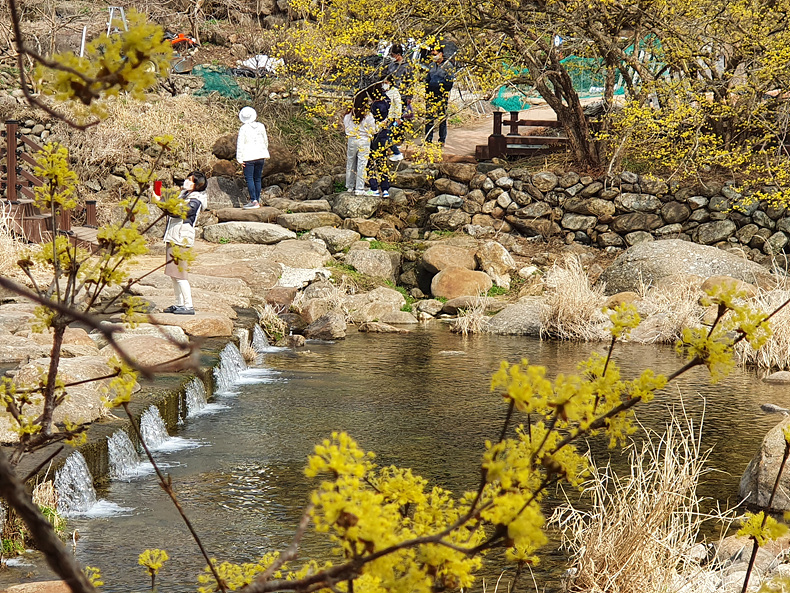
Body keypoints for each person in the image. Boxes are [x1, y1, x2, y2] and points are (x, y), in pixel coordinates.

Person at [151, 171, 208, 315]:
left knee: (180, 274)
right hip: (174, 236)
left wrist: (159, 202)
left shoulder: (196, 200)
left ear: (198, 185)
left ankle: (188, 306)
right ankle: (179, 303)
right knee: (173, 273)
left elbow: (179, 212)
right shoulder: (183, 195)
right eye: (187, 179)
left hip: (182, 238)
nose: (186, 181)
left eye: (191, 180)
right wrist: (159, 198)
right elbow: (170, 207)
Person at [343, 93, 378, 195]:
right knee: (362, 164)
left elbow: (346, 127)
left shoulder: (348, 115)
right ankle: (359, 188)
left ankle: (349, 186)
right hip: (364, 140)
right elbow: (373, 130)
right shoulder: (368, 116)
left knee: (350, 162)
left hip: (352, 139)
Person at [236, 106, 270, 210]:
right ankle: (257, 200)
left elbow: (240, 144)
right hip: (261, 155)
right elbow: (265, 140)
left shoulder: (243, 128)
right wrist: (264, 151)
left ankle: (253, 201)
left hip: (248, 157)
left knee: (249, 178)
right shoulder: (261, 126)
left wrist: (239, 159)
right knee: (257, 178)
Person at [424, 46, 455, 145]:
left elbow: (450, 81)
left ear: (441, 54)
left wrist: (443, 89)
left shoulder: (448, 66)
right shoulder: (431, 65)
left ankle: (441, 140)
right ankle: (428, 139)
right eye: (432, 54)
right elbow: (427, 79)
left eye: (435, 54)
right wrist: (427, 89)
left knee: (441, 118)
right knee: (429, 118)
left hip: (441, 95)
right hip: (431, 95)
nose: (433, 56)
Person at [367, 85, 391, 197]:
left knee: (371, 162)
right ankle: (385, 189)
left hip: (374, 136)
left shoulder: (373, 107)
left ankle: (374, 187)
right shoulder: (386, 103)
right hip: (384, 136)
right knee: (382, 162)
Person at [382, 74, 404, 162]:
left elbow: (398, 104)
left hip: (391, 117)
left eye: (386, 82)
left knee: (387, 136)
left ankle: (397, 153)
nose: (384, 84)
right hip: (383, 118)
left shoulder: (394, 91)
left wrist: (398, 117)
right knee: (383, 136)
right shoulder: (382, 92)